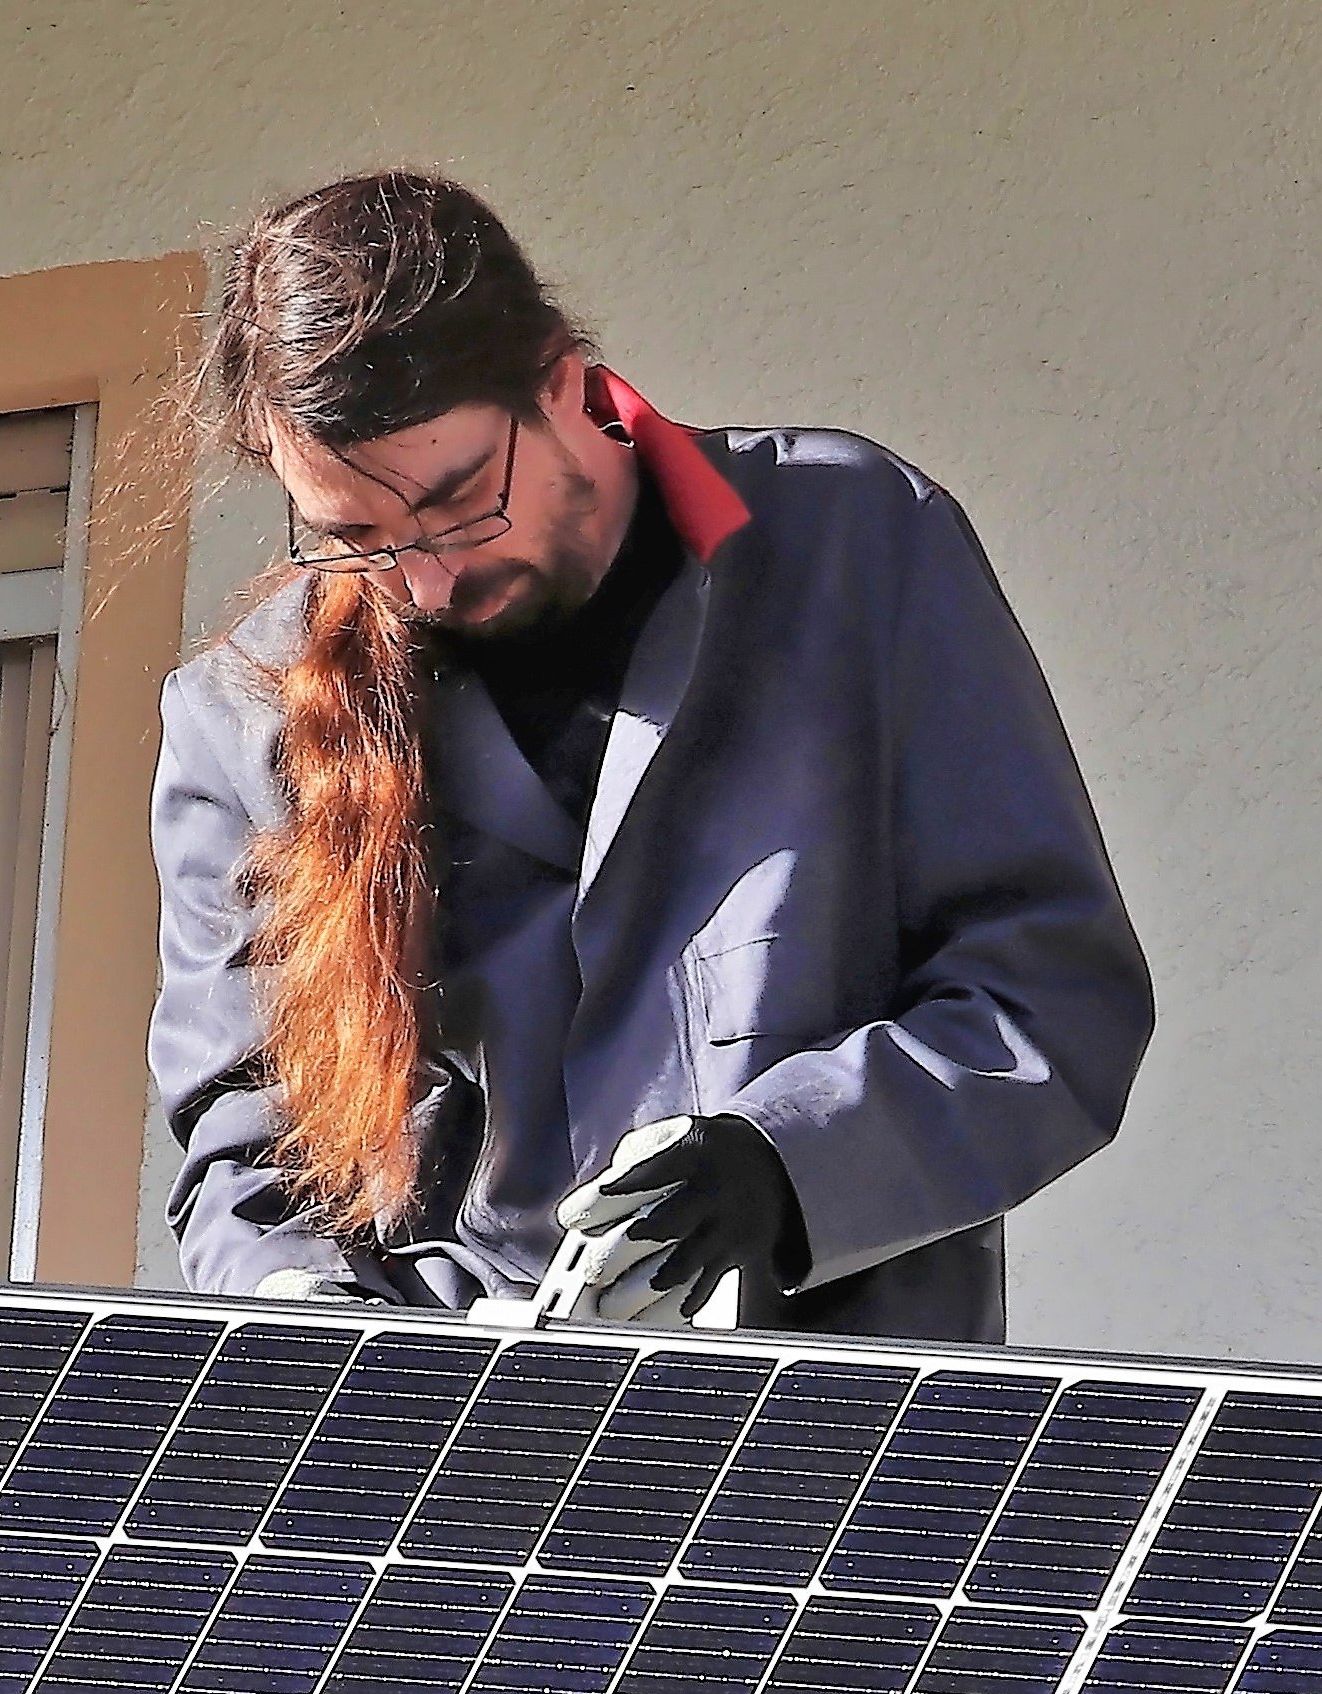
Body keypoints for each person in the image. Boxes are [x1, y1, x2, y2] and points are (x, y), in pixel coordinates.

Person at [154, 171, 1150, 1340]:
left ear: (567, 383)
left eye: (462, 503)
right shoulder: (241, 710)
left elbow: (1050, 994)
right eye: (356, 539)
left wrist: (781, 1165)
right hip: (438, 1460)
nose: (424, 581)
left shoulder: (857, 544)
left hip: (828, 1457)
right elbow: (246, 1128)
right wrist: (307, 1310)